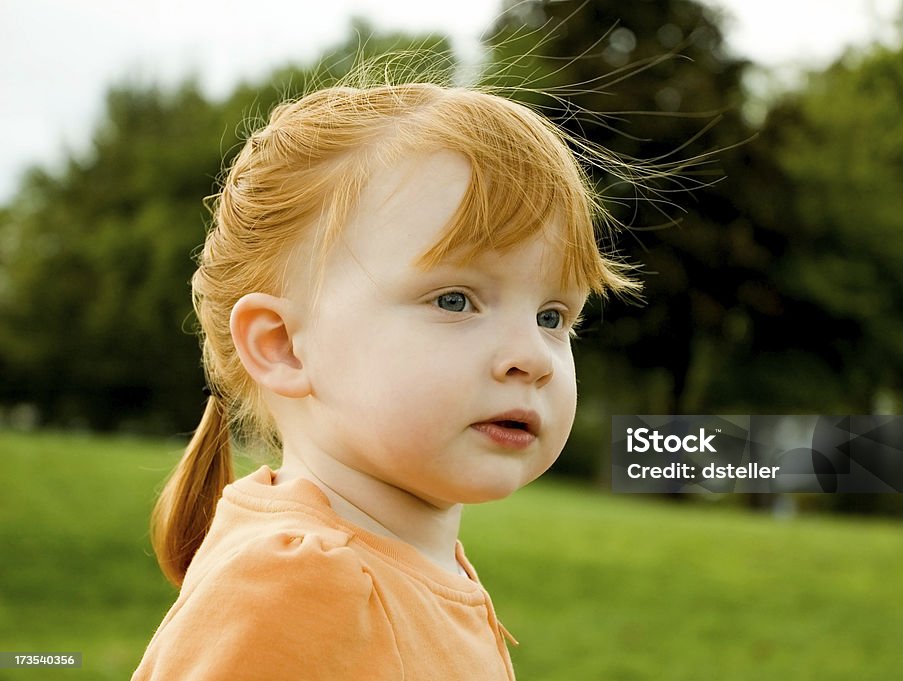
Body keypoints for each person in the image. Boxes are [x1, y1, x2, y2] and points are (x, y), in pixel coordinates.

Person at [132, 79, 640, 680]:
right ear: (285, 347)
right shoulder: (298, 584)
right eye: (455, 300)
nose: (533, 356)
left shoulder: (405, 564)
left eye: (552, 316)